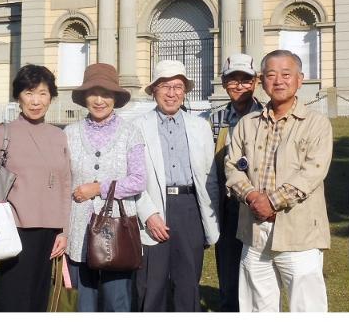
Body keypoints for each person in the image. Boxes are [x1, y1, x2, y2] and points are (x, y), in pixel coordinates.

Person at [224, 49, 332, 312]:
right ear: (262, 80)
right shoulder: (247, 124)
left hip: (299, 232)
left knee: (305, 307)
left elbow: (312, 172)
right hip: (255, 232)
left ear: (300, 79)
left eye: (286, 74)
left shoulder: (316, 124)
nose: (279, 81)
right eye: (271, 75)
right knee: (257, 307)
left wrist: (272, 202)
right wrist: (251, 197)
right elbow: (232, 166)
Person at [134, 60, 221, 311]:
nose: (171, 93)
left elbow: (209, 177)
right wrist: (148, 214)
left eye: (178, 87)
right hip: (154, 208)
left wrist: (208, 222)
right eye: (165, 86)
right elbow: (133, 177)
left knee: (188, 283)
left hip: (189, 208)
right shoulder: (137, 127)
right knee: (152, 284)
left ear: (185, 91)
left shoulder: (199, 126)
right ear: (154, 90)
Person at [0, 64, 72, 311]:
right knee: (15, 297)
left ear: (51, 97)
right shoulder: (3, 133)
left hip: (51, 231)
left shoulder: (59, 135)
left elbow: (66, 184)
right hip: (15, 229)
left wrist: (64, 231)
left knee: (40, 297)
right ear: (18, 97)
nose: (36, 101)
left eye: (43, 93)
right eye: (29, 93)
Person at [64, 63, 146, 312]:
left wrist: (98, 188)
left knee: (116, 301)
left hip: (117, 229)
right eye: (93, 93)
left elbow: (139, 179)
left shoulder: (131, 133)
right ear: (84, 98)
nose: (99, 100)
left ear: (115, 98)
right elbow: (62, 179)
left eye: (106, 94)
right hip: (78, 227)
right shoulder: (69, 133)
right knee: (82, 302)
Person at [210, 53, 264, 312]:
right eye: (233, 80)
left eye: (246, 80)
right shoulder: (214, 120)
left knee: (257, 269)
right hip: (227, 206)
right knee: (229, 270)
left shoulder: (267, 116)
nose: (239, 85)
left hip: (257, 206)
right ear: (224, 83)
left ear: (255, 83)